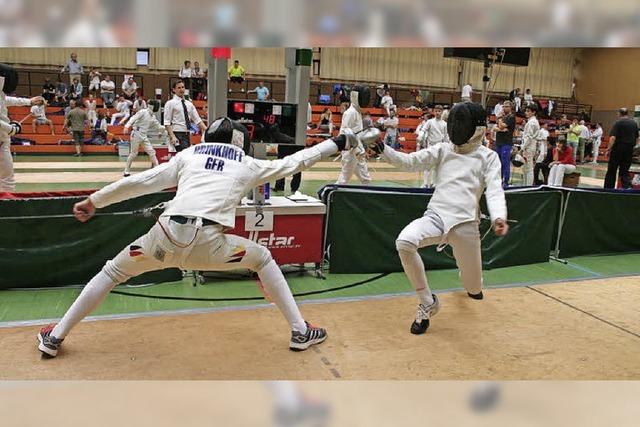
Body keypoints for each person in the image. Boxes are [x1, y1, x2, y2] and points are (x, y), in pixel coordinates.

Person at [36, 117, 364, 358]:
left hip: (162, 240)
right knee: (262, 257)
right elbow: (294, 162)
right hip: (213, 248)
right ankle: (300, 331)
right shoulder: (247, 163)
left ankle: (55, 337)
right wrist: (336, 143)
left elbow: (141, 182)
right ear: (239, 142)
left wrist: (94, 201)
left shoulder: (188, 155)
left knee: (111, 272)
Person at [363, 102, 508, 334]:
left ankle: (471, 282)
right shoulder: (443, 149)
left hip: (466, 226)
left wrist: (499, 216)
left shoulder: (488, 157)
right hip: (437, 217)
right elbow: (410, 162)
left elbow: (494, 189)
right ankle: (427, 302)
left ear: (477, 128)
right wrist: (383, 150)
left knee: (473, 284)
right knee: (405, 242)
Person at [1, 64, 45, 192]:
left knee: (7, 182)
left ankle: (7, 208)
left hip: (3, 142)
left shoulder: (1, 94)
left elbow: (6, 100)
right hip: (3, 140)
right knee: (7, 182)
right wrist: (12, 129)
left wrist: (29, 102)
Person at [335, 84, 372, 185]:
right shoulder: (350, 113)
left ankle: (367, 198)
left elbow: (357, 134)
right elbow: (345, 133)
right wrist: (357, 150)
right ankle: (329, 195)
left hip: (358, 152)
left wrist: (362, 149)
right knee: (343, 180)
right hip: (351, 152)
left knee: (366, 179)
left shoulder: (357, 112)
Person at [163, 80, 207, 152]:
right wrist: (172, 136)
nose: (181, 89)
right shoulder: (170, 103)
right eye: (179, 88)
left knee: (183, 157)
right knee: (184, 156)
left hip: (186, 134)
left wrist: (207, 130)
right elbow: (167, 122)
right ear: (174, 90)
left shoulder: (189, 104)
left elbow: (197, 119)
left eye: (183, 87)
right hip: (177, 133)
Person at [122, 102, 161, 177]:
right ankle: (126, 171)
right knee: (134, 154)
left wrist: (164, 130)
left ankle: (157, 169)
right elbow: (133, 118)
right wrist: (126, 126)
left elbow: (158, 126)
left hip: (144, 136)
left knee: (151, 152)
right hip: (136, 134)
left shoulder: (153, 117)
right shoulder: (143, 112)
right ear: (152, 106)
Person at [604, 108, 639, 189]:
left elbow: (613, 137)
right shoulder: (634, 123)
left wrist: (608, 149)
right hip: (629, 150)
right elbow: (637, 138)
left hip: (618, 149)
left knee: (612, 170)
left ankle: (608, 189)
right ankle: (627, 188)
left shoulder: (618, 123)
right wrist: (633, 147)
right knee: (624, 170)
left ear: (619, 113)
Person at [420, 104, 448, 188]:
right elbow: (423, 130)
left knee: (437, 166)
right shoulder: (430, 122)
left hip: (439, 147)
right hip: (430, 146)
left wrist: (446, 146)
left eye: (439, 111)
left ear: (442, 112)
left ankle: (434, 183)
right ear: (434, 112)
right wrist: (420, 136)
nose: (437, 113)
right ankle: (425, 183)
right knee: (427, 165)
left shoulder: (444, 124)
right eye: (436, 111)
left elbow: (446, 137)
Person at [494, 100, 515, 187]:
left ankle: (506, 181)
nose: (504, 108)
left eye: (506, 106)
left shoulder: (511, 117)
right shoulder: (502, 117)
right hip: (498, 141)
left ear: (510, 108)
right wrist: (500, 128)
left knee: (505, 161)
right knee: (498, 162)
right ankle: (499, 179)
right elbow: (495, 128)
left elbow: (502, 126)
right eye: (503, 106)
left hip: (506, 142)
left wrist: (499, 120)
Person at [521, 105, 540, 186]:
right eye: (526, 111)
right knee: (525, 168)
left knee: (529, 168)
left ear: (533, 112)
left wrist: (522, 148)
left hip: (529, 147)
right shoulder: (532, 121)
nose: (526, 113)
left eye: (528, 111)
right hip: (529, 146)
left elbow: (529, 137)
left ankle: (528, 186)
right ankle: (525, 185)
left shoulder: (532, 122)